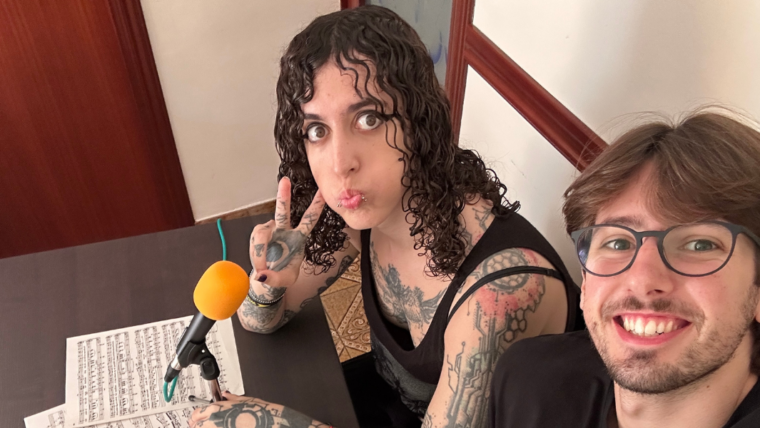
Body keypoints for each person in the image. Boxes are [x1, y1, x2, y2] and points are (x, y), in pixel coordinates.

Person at [189, 6, 580, 428]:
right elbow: (258, 321)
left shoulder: (499, 297)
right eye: (317, 130)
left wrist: (269, 424)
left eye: (369, 118)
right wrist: (270, 282)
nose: (340, 164)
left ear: (419, 120)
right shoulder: (368, 216)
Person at [488, 108, 760, 428]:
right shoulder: (528, 381)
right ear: (585, 282)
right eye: (617, 243)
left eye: (699, 244)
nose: (642, 279)